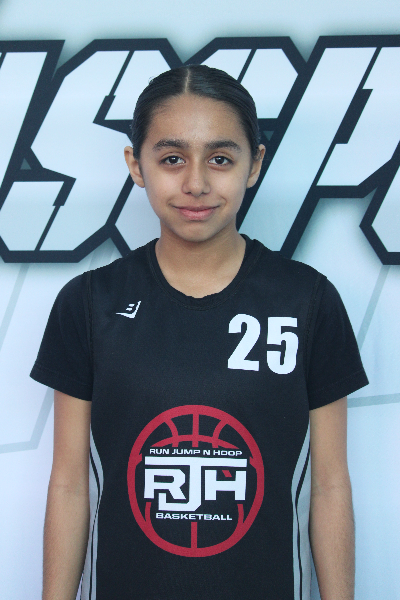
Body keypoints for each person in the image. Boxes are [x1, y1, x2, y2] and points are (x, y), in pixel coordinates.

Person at [31, 65, 368, 600]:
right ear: (136, 165)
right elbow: (70, 484)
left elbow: (329, 485)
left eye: (220, 158)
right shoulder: (89, 303)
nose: (196, 183)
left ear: (254, 164)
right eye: (172, 158)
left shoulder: (307, 301)